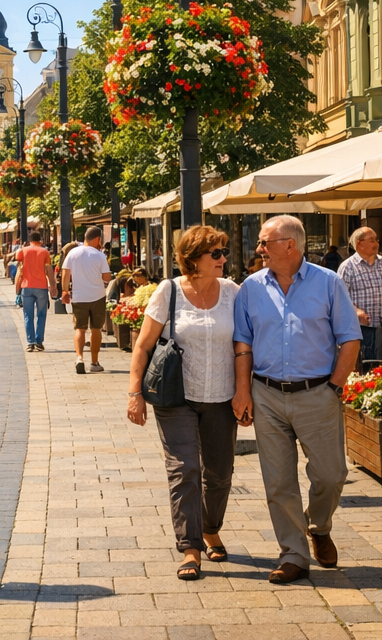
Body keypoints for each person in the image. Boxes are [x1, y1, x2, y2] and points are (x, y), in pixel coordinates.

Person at [233, 215, 361, 585]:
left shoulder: (328, 283)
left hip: (317, 393)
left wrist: (334, 387)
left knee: (331, 474)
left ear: (290, 245)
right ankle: (293, 553)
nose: (259, 249)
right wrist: (243, 391)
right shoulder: (251, 287)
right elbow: (242, 343)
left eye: (264, 242)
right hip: (267, 394)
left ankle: (319, 527)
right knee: (278, 483)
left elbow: (350, 338)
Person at [127, 225, 239, 580]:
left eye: (224, 252)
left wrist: (246, 391)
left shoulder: (234, 292)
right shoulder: (168, 291)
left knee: (219, 474)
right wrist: (135, 394)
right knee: (184, 468)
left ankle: (210, 527)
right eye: (216, 253)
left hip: (222, 397)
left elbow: (243, 345)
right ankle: (190, 548)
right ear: (193, 260)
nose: (223, 259)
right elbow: (143, 345)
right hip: (177, 397)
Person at [337, 227, 382, 364]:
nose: (376, 244)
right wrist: (357, 312)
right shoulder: (347, 267)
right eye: (371, 240)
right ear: (359, 243)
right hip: (359, 328)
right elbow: (340, 298)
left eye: (377, 240)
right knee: (363, 366)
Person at [62, 227, 113, 375]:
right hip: (97, 296)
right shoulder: (100, 255)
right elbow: (107, 278)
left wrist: (65, 291)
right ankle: (94, 362)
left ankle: (79, 357)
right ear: (97, 239)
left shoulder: (73, 253)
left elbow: (65, 273)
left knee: (79, 328)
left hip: (78, 297)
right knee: (95, 329)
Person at [16, 231, 52, 352]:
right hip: (41, 286)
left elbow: (19, 268)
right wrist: (53, 286)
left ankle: (30, 342)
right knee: (41, 315)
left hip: (26, 286)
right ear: (40, 240)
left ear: (29, 240)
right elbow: (48, 270)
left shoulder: (23, 251)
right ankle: (39, 341)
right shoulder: (45, 252)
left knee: (28, 315)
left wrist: (17, 288)